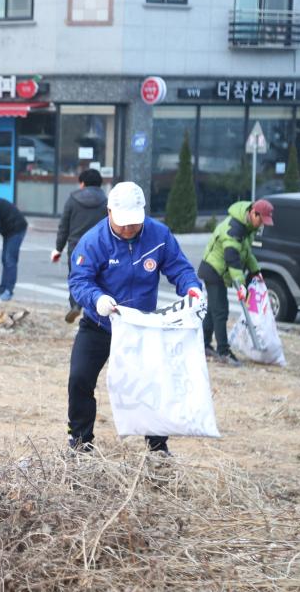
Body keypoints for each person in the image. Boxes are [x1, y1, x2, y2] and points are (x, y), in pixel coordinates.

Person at [66, 181, 203, 456]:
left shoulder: (158, 235)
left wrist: (192, 288)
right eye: (122, 223)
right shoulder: (93, 241)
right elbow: (79, 281)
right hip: (100, 324)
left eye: (134, 223)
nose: (128, 229)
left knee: (152, 384)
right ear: (109, 212)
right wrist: (97, 299)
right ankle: (80, 443)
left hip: (142, 325)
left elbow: (179, 267)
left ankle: (158, 447)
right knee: (80, 378)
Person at [198, 199, 274, 367]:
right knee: (221, 311)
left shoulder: (248, 227)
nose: (261, 225)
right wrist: (240, 286)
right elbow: (232, 259)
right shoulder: (235, 228)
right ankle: (223, 352)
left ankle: (203, 344)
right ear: (253, 213)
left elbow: (246, 253)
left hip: (219, 270)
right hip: (213, 270)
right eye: (261, 220)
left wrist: (256, 271)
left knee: (213, 310)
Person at [52, 169, 108, 324]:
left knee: (77, 277)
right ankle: (96, 311)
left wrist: (58, 248)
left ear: (82, 183)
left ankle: (76, 305)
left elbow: (64, 226)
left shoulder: (73, 199)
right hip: (100, 247)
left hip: (76, 247)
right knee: (99, 279)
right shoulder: (106, 202)